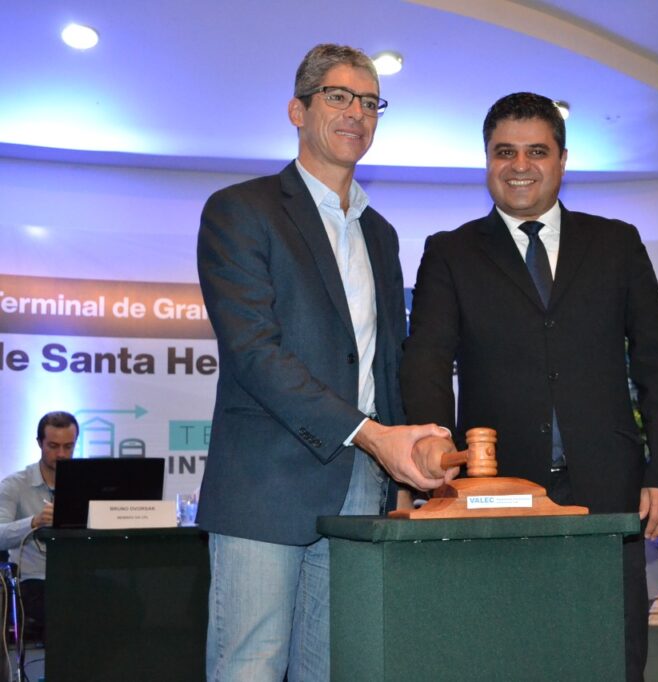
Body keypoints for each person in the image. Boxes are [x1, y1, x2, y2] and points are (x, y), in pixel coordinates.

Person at [400, 92, 658, 680]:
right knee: (507, 650)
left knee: (612, 651)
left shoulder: (617, 243)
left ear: (562, 160)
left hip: (609, 487)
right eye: (504, 151)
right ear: (487, 160)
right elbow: (426, 363)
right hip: (494, 488)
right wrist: (440, 463)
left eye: (536, 151)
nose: (520, 165)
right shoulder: (450, 252)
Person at [196, 43, 450, 681]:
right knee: (249, 666)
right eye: (338, 97)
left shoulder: (380, 233)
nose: (356, 113)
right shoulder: (241, 210)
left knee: (336, 668)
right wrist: (371, 434)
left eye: (371, 103)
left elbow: (385, 360)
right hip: (264, 484)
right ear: (297, 110)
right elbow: (254, 353)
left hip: (361, 487)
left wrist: (401, 463)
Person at [0, 410, 79, 643]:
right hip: (33, 580)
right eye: (53, 446)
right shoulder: (15, 485)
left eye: (68, 447)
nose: (61, 454)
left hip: (79, 576)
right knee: (67, 612)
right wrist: (33, 521)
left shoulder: (87, 482)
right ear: (39, 443)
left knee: (129, 603)